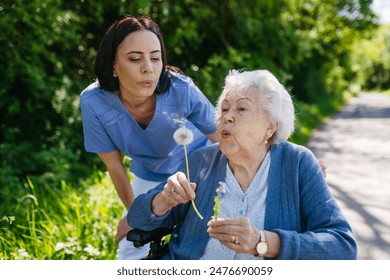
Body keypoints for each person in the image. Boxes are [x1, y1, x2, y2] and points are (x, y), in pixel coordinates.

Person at [128, 69, 357, 260]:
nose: (227, 116)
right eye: (224, 109)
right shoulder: (200, 161)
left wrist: (264, 241)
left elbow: (343, 246)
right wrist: (162, 201)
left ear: (271, 127)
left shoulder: (298, 163)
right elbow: (136, 218)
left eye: (242, 109)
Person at [80, 15, 219, 260]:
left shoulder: (182, 89)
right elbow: (114, 165)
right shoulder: (93, 101)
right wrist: (135, 215)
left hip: (197, 168)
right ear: (113, 65)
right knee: (130, 245)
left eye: (155, 58)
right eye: (135, 59)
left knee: (199, 239)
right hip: (149, 173)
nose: (148, 68)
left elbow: (223, 138)